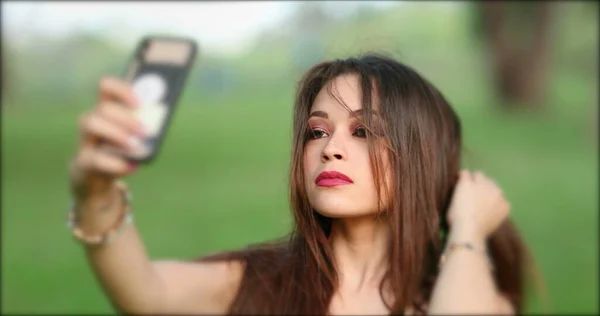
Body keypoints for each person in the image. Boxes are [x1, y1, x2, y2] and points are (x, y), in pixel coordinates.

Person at [68, 53, 533, 315]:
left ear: (423, 158)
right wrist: (96, 193)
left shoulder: (465, 293)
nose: (331, 148)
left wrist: (467, 228)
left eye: (364, 131)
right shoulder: (260, 283)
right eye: (317, 131)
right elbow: (144, 293)